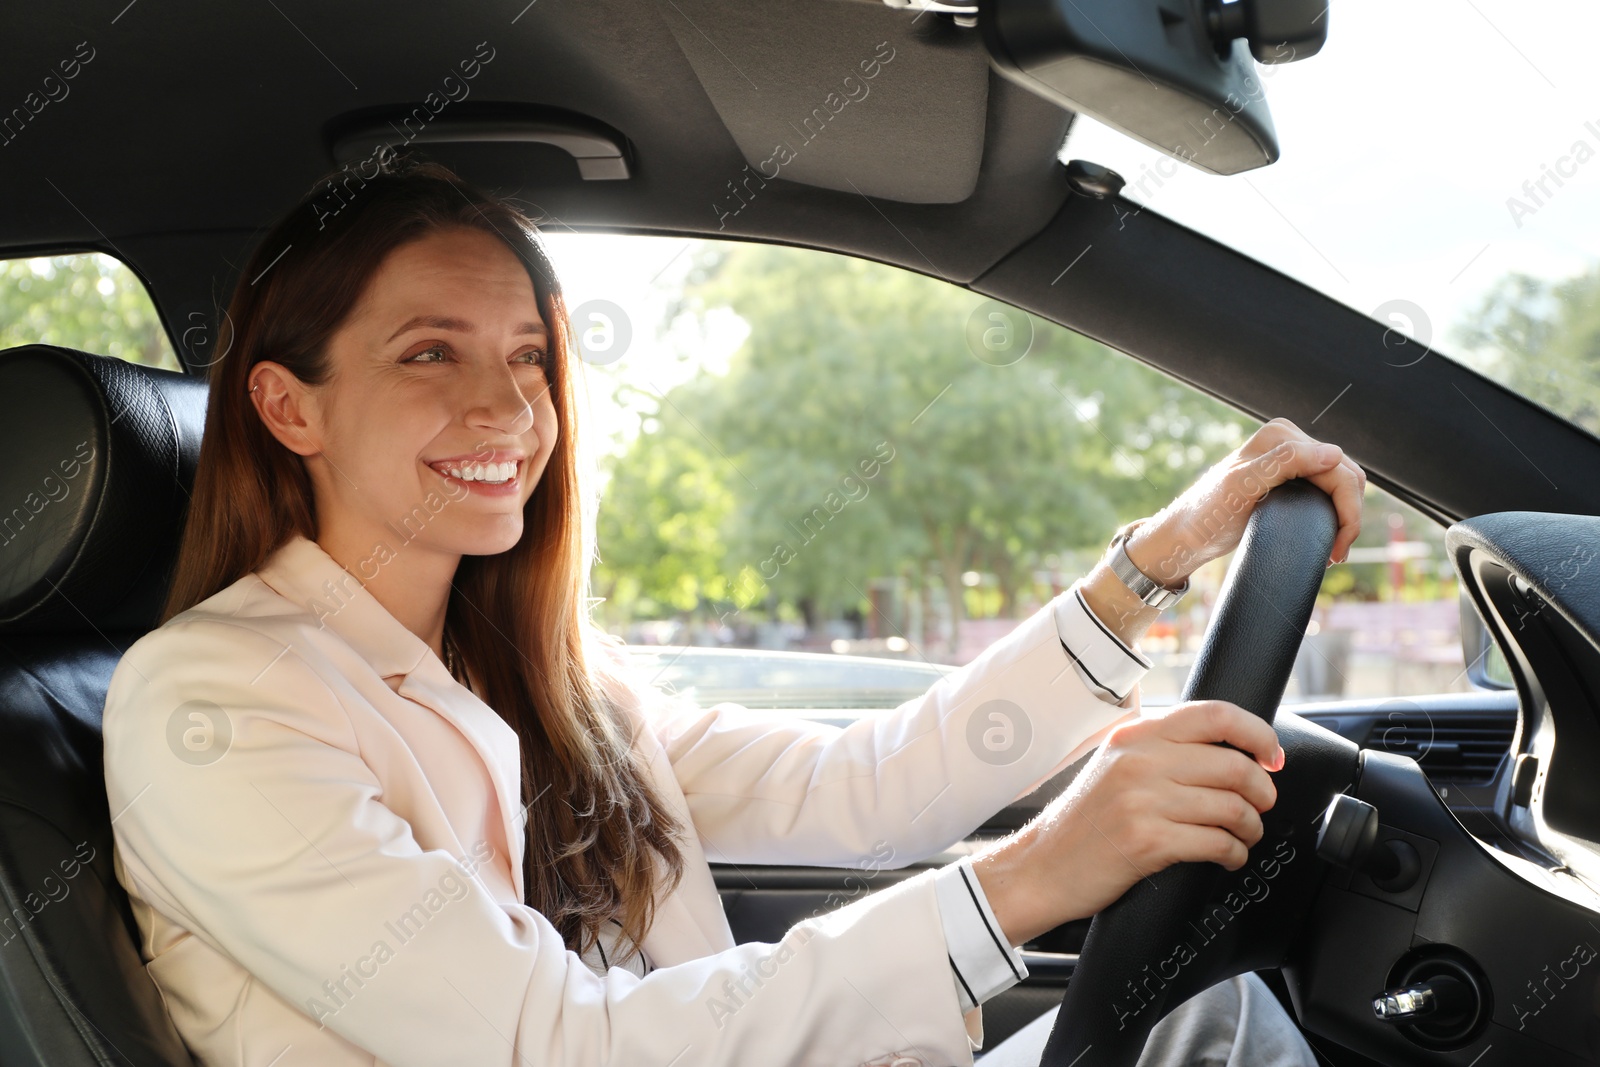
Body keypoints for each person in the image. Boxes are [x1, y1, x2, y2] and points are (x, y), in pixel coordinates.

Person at [102, 156, 1363, 1067]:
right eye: (431, 353)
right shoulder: (213, 701)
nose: (507, 408)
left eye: (530, 356)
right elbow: (553, 1043)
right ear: (288, 407)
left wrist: (1154, 560)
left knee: (1215, 1016)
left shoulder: (529, 674)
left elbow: (862, 787)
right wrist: (1035, 872)